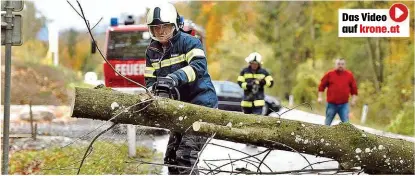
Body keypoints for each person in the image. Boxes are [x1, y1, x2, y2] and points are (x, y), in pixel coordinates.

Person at [144, 3, 218, 175]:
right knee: (171, 158)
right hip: (180, 110)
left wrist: (173, 79)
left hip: (202, 106)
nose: (160, 32)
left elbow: (199, 66)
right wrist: (155, 91)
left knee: (186, 154)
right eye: (156, 28)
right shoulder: (152, 51)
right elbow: (149, 79)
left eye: (165, 27)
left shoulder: (190, 42)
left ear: (175, 25)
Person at [318, 58, 358, 126]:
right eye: (338, 64)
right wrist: (320, 97)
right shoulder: (330, 74)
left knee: (346, 124)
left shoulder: (349, 75)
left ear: (345, 65)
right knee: (327, 123)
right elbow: (321, 86)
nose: (340, 66)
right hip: (331, 104)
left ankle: (346, 136)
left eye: (342, 64)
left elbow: (354, 89)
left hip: (344, 105)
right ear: (335, 65)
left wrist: (353, 100)